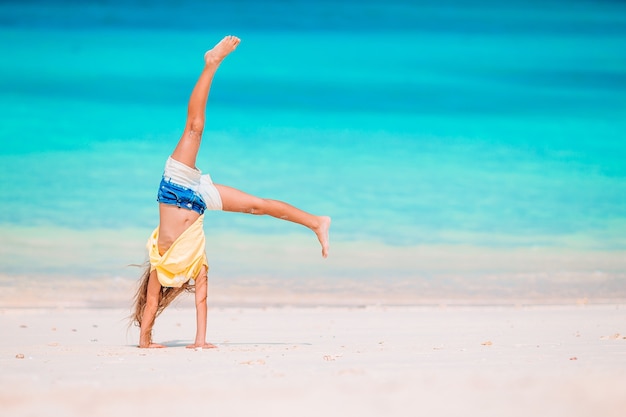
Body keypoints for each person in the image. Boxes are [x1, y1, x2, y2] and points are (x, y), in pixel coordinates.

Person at [131, 36, 331, 349]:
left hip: (174, 189)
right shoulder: (196, 265)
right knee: (257, 206)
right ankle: (316, 222)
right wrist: (200, 342)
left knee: (194, 127)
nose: (186, 285)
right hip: (199, 202)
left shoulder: (160, 264)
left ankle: (211, 63)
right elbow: (202, 302)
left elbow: (150, 302)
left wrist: (145, 340)